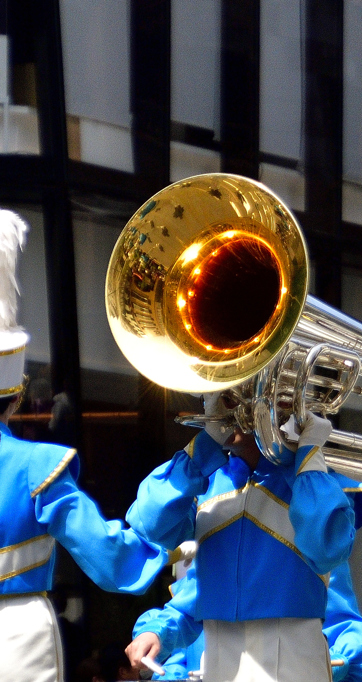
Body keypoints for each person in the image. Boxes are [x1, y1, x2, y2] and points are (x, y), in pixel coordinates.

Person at [0, 209, 169, 682]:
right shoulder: (36, 467)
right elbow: (114, 562)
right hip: (14, 638)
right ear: (13, 394)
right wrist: (170, 521)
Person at [126, 392, 358, 682]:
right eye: (222, 396)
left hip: (293, 660)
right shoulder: (207, 485)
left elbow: (328, 549)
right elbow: (150, 521)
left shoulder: (310, 484)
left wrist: (308, 457)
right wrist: (157, 630)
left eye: (237, 397)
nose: (225, 407)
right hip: (220, 661)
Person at [127, 484, 362, 682]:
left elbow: (344, 626)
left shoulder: (309, 525)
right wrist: (156, 632)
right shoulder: (217, 499)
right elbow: (191, 601)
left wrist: (336, 659)